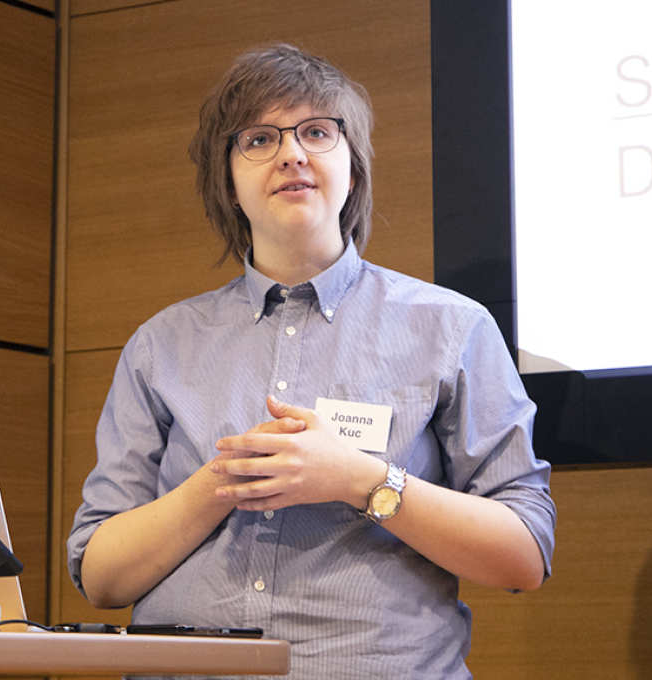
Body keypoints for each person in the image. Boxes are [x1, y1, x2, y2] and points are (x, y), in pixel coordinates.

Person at [68, 43, 555, 679]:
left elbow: (523, 555)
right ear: (228, 184)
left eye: (317, 133)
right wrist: (223, 481)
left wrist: (358, 479)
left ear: (353, 170)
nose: (292, 154)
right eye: (259, 139)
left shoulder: (451, 328)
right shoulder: (160, 345)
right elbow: (102, 579)